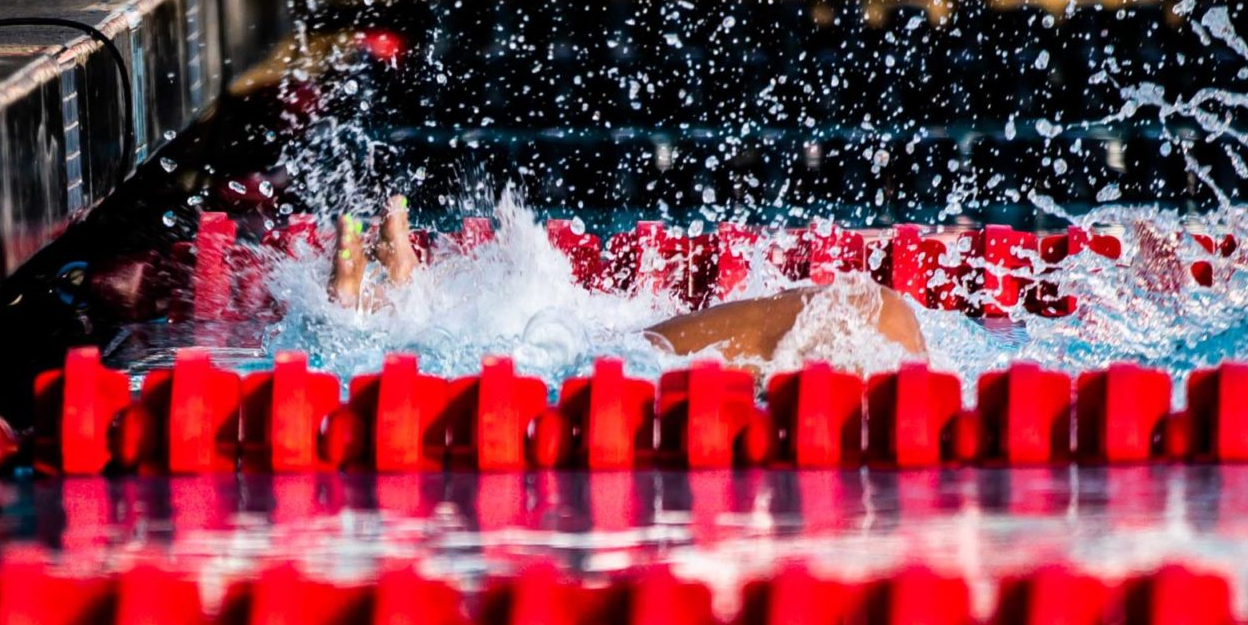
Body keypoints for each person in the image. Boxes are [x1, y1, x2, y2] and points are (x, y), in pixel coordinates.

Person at [329, 203, 927, 365]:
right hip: (845, 330)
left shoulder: (880, 323)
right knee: (600, 357)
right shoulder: (872, 331)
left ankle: (393, 306)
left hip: (839, 326)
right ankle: (392, 310)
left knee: (602, 350)